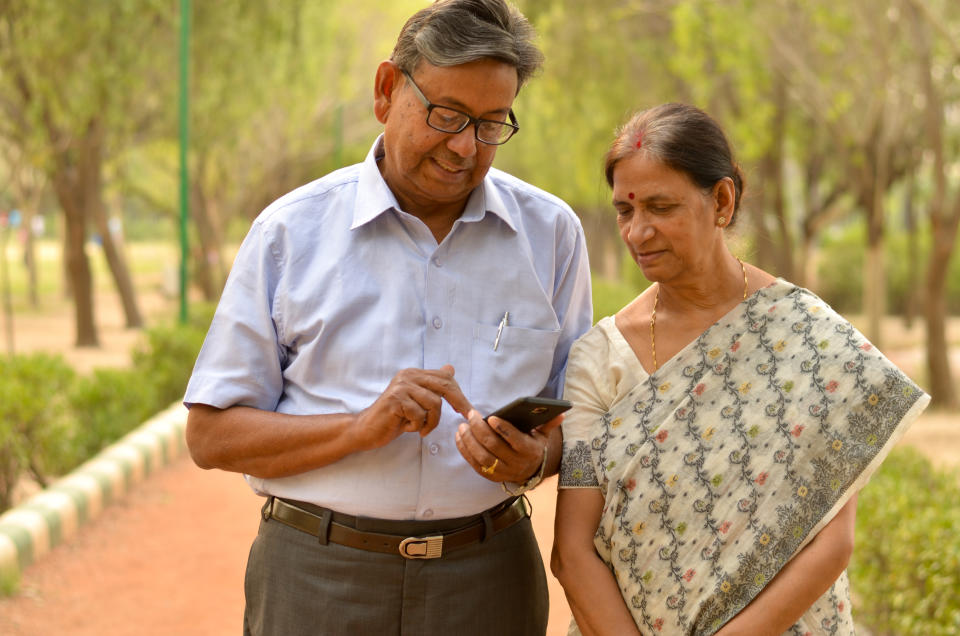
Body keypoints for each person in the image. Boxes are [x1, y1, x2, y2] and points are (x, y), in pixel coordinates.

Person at [182, 1, 593, 634]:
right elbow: (211, 436)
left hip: (489, 578)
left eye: (489, 124)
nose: (464, 147)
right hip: (314, 576)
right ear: (385, 90)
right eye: (446, 115)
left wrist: (532, 460)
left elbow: (581, 420)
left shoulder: (552, 235)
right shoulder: (290, 232)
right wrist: (358, 429)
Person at [551, 103, 929, 635]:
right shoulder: (601, 357)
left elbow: (833, 539)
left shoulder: (809, 336)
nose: (638, 232)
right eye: (625, 211)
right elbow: (572, 551)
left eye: (660, 207)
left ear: (722, 201)